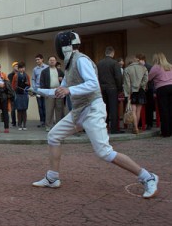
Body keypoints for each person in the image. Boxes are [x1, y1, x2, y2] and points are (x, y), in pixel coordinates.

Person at [31, 30, 158, 199]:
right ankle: (52, 178)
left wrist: (70, 89)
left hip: (92, 109)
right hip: (78, 111)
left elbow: (92, 84)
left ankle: (148, 177)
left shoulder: (81, 60)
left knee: (104, 152)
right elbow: (59, 91)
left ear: (65, 47)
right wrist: (37, 90)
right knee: (53, 136)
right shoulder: (69, 65)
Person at [97, 46, 123, 134]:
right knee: (113, 108)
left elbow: (97, 76)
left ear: (105, 53)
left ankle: (104, 127)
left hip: (103, 88)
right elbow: (118, 77)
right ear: (112, 53)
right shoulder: (114, 63)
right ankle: (114, 128)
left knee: (105, 108)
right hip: (112, 87)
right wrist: (120, 88)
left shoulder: (99, 63)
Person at [149, 53, 172, 137]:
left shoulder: (156, 67)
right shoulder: (170, 66)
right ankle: (171, 130)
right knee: (170, 110)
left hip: (162, 89)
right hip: (171, 86)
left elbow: (149, 78)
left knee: (164, 110)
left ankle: (166, 132)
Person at [123, 56, 148, 135]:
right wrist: (142, 86)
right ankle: (136, 128)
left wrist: (127, 94)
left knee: (133, 111)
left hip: (132, 91)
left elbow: (127, 83)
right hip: (141, 90)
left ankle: (135, 128)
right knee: (138, 111)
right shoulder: (143, 68)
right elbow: (146, 79)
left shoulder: (127, 69)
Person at [40, 56, 65, 132]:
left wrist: (62, 80)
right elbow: (42, 83)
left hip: (58, 91)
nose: (52, 61)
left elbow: (65, 81)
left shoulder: (60, 71)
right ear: (48, 61)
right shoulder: (44, 71)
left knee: (59, 109)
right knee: (49, 109)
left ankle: (59, 126)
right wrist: (44, 92)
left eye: (53, 60)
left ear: (56, 61)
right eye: (50, 60)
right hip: (49, 91)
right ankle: (48, 126)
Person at [136, 53, 154, 130]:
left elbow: (150, 79)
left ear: (142, 59)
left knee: (149, 106)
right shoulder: (138, 67)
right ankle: (140, 123)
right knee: (140, 107)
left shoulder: (149, 67)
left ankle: (149, 124)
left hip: (148, 89)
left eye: (138, 60)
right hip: (141, 89)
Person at [12, 62, 30, 131]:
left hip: (25, 94)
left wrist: (27, 84)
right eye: (20, 68)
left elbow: (29, 85)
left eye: (23, 68)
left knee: (24, 110)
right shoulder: (15, 76)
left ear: (24, 68)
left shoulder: (27, 75)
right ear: (18, 69)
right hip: (18, 94)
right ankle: (19, 124)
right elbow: (13, 85)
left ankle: (24, 124)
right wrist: (16, 88)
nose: (22, 69)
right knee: (19, 110)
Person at [31, 54, 48, 128]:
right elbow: (33, 79)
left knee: (45, 106)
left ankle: (47, 121)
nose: (37, 61)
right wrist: (34, 88)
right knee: (40, 106)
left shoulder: (47, 67)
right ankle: (42, 121)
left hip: (45, 89)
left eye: (38, 59)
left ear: (42, 59)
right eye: (36, 60)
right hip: (38, 89)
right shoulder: (35, 69)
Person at [7, 62, 19, 127]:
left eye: (18, 66)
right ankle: (13, 122)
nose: (17, 67)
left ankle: (20, 121)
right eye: (15, 66)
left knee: (20, 108)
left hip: (19, 93)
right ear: (13, 67)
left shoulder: (21, 74)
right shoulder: (10, 75)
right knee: (13, 108)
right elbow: (10, 84)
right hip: (13, 93)